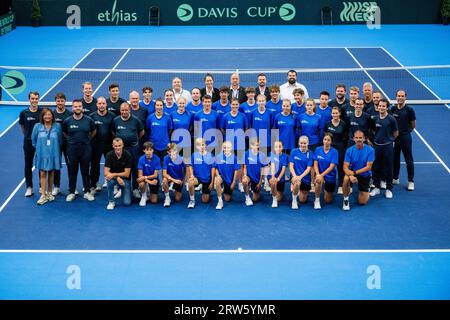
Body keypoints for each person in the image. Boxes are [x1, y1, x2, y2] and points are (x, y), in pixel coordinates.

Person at [62, 99, 96, 202]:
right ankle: (72, 192)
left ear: (82, 107)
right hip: (72, 149)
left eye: (79, 106)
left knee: (85, 171)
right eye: (75, 106)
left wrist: (87, 140)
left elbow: (94, 131)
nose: (78, 108)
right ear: (72, 108)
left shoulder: (89, 120)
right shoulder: (67, 121)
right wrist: (71, 140)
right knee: (72, 171)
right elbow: (64, 132)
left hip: (85, 149)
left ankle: (87, 192)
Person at [112, 102, 145, 198]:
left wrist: (133, 140)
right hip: (121, 150)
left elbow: (141, 132)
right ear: (120, 111)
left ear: (129, 110)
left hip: (133, 149)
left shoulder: (136, 120)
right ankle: (122, 188)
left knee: (134, 169)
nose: (124, 112)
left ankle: (135, 188)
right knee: (122, 169)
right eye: (122, 110)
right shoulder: (116, 120)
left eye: (126, 110)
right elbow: (114, 132)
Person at [31, 108, 63, 205]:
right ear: (42, 116)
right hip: (42, 154)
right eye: (45, 115)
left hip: (53, 154)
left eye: (49, 114)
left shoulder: (57, 126)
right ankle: (43, 195)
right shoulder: (37, 126)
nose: (47, 116)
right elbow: (33, 140)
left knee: (51, 173)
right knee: (43, 173)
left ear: (52, 116)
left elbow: (60, 140)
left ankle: (49, 193)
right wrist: (42, 149)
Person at [370, 99, 399, 199]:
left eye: (383, 106)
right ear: (378, 107)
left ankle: (389, 189)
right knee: (376, 167)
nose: (381, 108)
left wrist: (389, 140)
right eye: (380, 106)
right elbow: (374, 131)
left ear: (387, 107)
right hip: (377, 146)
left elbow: (396, 133)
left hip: (388, 147)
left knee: (389, 168)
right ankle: (377, 187)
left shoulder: (391, 119)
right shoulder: (375, 119)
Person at [342, 130, 375, 211]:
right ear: (353, 139)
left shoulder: (370, 150)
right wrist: (351, 175)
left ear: (364, 139)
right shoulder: (349, 150)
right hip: (353, 173)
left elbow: (368, 167)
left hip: (364, 174)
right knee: (346, 179)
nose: (358, 139)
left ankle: (368, 186)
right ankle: (346, 199)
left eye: (360, 138)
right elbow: (345, 167)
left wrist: (354, 173)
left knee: (362, 202)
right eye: (356, 138)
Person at [391, 90, 416, 191]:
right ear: (396, 97)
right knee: (395, 159)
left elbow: (413, 125)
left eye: (402, 96)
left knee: (408, 160)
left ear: (405, 97)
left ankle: (411, 181)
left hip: (405, 138)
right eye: (398, 96)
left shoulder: (409, 110)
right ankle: (395, 178)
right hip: (395, 138)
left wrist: (405, 132)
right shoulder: (393, 109)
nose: (400, 98)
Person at [89, 96, 115, 192]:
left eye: (103, 103)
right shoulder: (92, 116)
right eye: (99, 103)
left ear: (106, 104)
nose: (101, 105)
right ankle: (94, 184)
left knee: (111, 165)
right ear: (97, 105)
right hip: (96, 145)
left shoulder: (112, 116)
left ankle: (112, 183)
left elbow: (114, 131)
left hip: (109, 144)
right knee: (94, 165)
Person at [19, 91, 42, 197]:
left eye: (36, 98)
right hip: (28, 143)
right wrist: (28, 136)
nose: (34, 100)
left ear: (38, 99)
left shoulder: (42, 112)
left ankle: (42, 187)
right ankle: (29, 187)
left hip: (40, 143)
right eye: (33, 98)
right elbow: (22, 127)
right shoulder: (24, 113)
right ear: (29, 99)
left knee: (41, 165)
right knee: (28, 165)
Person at [324, 107, 347, 194]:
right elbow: (326, 135)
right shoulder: (327, 124)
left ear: (339, 114)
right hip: (329, 146)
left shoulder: (343, 124)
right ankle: (326, 181)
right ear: (331, 114)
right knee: (327, 164)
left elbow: (345, 135)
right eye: (333, 113)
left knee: (340, 166)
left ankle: (340, 185)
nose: (335, 115)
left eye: (336, 113)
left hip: (340, 146)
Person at [52, 92, 71, 196]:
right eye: (58, 101)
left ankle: (71, 187)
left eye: (62, 101)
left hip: (68, 144)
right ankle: (57, 186)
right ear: (55, 102)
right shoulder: (52, 115)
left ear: (65, 101)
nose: (60, 103)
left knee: (70, 165)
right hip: (56, 144)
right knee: (56, 165)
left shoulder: (69, 114)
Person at [104, 137, 132, 210]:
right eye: (116, 146)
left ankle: (123, 189)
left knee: (127, 203)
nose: (118, 147)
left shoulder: (128, 155)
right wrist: (117, 177)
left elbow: (127, 174)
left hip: (125, 180)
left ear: (123, 145)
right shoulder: (109, 155)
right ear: (113, 146)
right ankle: (111, 202)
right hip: (114, 179)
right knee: (109, 180)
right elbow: (106, 172)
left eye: (119, 145)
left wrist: (114, 174)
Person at [187, 138, 215, 208]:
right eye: (199, 145)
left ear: (205, 145)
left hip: (207, 178)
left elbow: (213, 169)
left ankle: (204, 189)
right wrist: (192, 175)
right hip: (197, 177)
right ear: (196, 146)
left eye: (203, 145)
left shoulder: (211, 155)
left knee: (205, 201)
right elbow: (190, 166)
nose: (201, 147)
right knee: (190, 182)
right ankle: (192, 200)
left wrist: (212, 182)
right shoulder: (194, 155)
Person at [313, 133, 339, 209]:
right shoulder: (318, 149)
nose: (326, 141)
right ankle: (317, 200)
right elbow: (315, 163)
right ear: (323, 140)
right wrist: (318, 174)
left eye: (328, 140)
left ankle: (325, 188)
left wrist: (322, 175)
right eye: (325, 139)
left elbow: (331, 167)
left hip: (330, 176)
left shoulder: (335, 152)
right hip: (319, 174)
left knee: (328, 200)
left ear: (331, 142)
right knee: (318, 180)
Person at [289, 136, 314, 209]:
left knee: (302, 200)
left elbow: (308, 169)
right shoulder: (294, 151)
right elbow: (291, 166)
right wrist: (295, 176)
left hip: (305, 178)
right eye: (301, 143)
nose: (303, 145)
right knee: (297, 183)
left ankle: (296, 189)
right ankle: (294, 201)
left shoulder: (310, 153)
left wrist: (300, 177)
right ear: (298, 143)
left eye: (304, 143)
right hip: (295, 176)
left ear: (308, 143)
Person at [214, 141, 240, 210]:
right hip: (222, 177)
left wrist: (234, 182)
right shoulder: (219, 156)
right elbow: (215, 168)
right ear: (222, 148)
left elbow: (236, 170)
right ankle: (220, 201)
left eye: (228, 148)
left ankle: (223, 189)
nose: (226, 149)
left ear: (231, 148)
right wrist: (218, 175)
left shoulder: (235, 158)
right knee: (217, 181)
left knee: (227, 199)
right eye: (225, 148)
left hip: (230, 179)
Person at [242, 138, 268, 206]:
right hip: (249, 176)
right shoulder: (246, 154)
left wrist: (260, 182)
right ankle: (247, 198)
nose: (256, 147)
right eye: (254, 145)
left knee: (255, 199)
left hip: (257, 178)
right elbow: (244, 166)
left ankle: (254, 189)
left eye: (257, 145)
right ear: (250, 145)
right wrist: (245, 175)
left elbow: (263, 169)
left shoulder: (262, 155)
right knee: (244, 181)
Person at [137, 142, 161, 206]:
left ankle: (148, 189)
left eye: (150, 150)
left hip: (153, 179)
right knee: (141, 183)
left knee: (154, 201)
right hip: (146, 180)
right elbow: (140, 176)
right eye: (147, 150)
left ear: (153, 150)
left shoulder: (157, 159)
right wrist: (149, 182)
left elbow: (155, 175)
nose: (149, 152)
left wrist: (146, 178)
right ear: (144, 150)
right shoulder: (141, 159)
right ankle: (144, 196)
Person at [162, 143, 186, 207]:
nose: (172, 153)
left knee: (177, 199)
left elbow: (187, 169)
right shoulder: (165, 158)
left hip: (178, 179)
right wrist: (173, 180)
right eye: (170, 151)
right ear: (167, 152)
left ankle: (173, 187)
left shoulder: (181, 159)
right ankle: (167, 198)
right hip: (170, 178)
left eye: (174, 151)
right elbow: (164, 173)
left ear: (176, 150)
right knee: (164, 180)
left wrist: (184, 180)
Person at [268, 141, 288, 208]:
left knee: (279, 198)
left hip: (280, 178)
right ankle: (274, 200)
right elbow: (272, 165)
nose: (278, 148)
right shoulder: (271, 154)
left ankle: (275, 191)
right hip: (272, 176)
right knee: (273, 183)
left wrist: (279, 178)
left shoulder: (285, 156)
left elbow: (283, 169)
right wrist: (273, 177)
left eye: (280, 147)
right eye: (276, 147)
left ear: (282, 147)